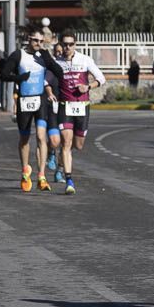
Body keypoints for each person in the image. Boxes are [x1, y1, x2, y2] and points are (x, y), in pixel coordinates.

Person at [0, 27, 64, 192]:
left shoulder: (44, 55)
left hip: (41, 100)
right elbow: (4, 75)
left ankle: (41, 176)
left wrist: (49, 61)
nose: (38, 44)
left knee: (42, 137)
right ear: (29, 39)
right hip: (24, 101)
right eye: (36, 40)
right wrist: (19, 78)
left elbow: (59, 72)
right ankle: (25, 171)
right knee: (25, 139)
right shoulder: (18, 55)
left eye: (41, 41)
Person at [54, 31, 106, 195]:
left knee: (78, 145)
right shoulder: (57, 63)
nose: (67, 47)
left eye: (70, 44)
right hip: (65, 106)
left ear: (75, 45)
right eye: (64, 44)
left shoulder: (85, 60)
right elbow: (46, 80)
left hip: (82, 106)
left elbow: (101, 78)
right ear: (61, 45)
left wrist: (88, 87)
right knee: (66, 142)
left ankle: (61, 163)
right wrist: (49, 92)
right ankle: (69, 180)